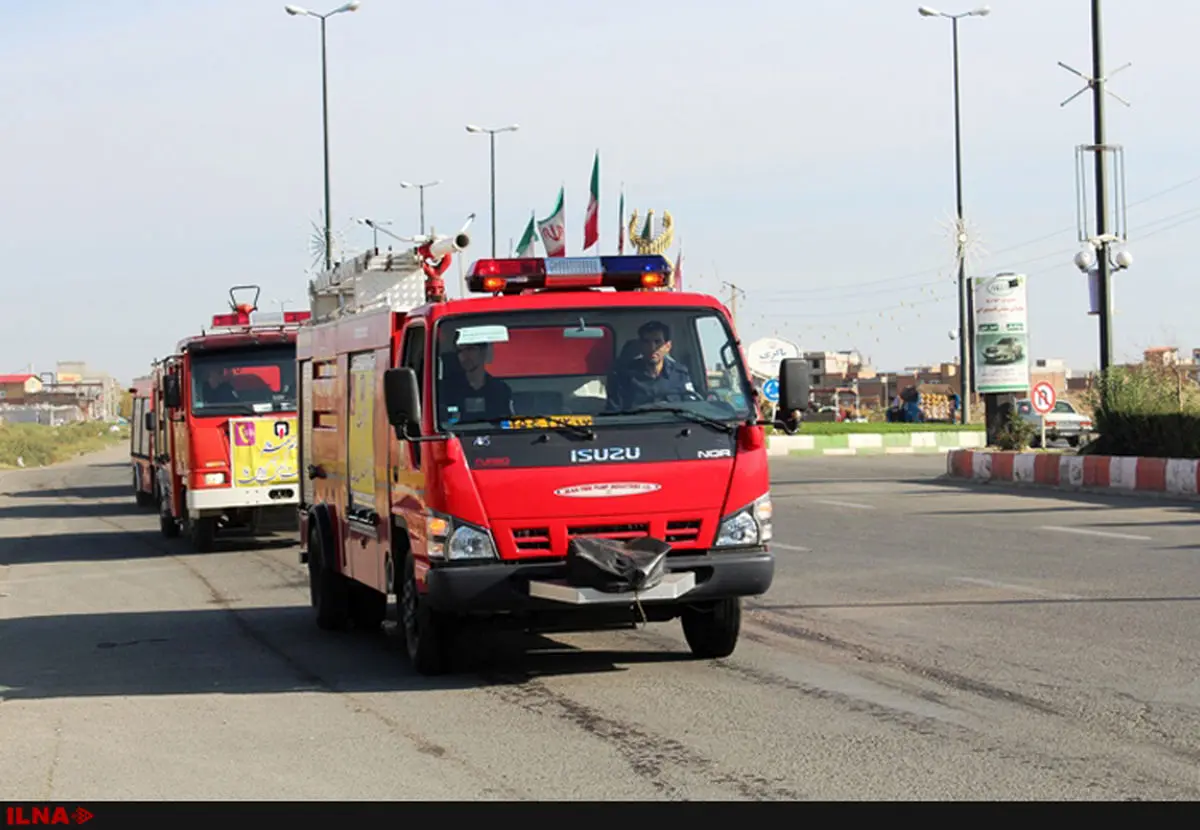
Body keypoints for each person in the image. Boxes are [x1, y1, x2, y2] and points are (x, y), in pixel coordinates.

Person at [606, 320, 696, 410]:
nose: (652, 348)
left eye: (657, 342)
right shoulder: (623, 377)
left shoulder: (680, 375)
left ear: (667, 346)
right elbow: (615, 414)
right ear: (640, 345)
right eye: (646, 342)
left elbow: (692, 408)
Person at [440, 339, 514, 423]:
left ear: (483, 352)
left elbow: (506, 424)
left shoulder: (500, 390)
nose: (464, 355)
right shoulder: (448, 389)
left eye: (470, 349)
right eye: (460, 351)